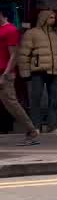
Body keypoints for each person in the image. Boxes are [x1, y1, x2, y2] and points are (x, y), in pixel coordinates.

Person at [19, 9, 57, 134]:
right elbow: (23, 54)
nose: (53, 20)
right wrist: (25, 73)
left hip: (55, 72)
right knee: (36, 99)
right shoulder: (31, 33)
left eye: (54, 17)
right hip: (38, 72)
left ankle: (52, 126)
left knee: (55, 100)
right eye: (51, 17)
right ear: (43, 18)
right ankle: (35, 127)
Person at [0, 10, 38, 145]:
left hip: (4, 74)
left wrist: (5, 74)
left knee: (12, 104)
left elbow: (14, 55)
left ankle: (32, 131)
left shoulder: (10, 30)